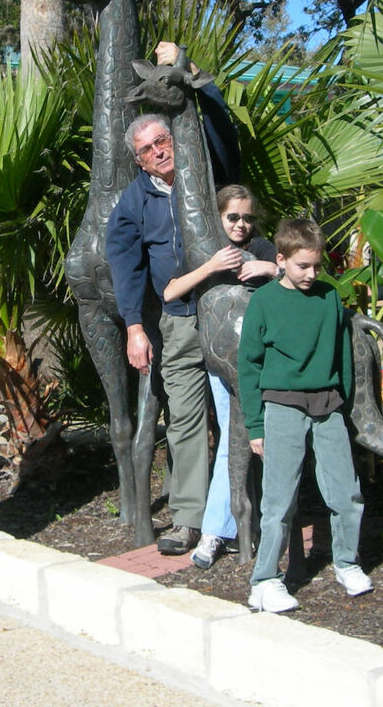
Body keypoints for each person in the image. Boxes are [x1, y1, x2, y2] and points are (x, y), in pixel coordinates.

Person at [106, 44, 240, 556]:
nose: (160, 151)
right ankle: (187, 519)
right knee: (183, 418)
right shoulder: (132, 203)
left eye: (163, 139)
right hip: (180, 320)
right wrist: (135, 328)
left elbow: (223, 128)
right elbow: (126, 267)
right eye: (148, 148)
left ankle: (243, 511)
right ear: (137, 159)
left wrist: (192, 72)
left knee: (238, 416)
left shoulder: (208, 173)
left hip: (228, 313)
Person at [238, 218, 372, 612]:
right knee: (279, 500)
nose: (311, 274)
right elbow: (249, 366)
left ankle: (347, 562)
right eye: (302, 266)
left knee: (347, 493)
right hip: (281, 406)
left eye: (316, 266)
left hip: (327, 405)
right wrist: (256, 425)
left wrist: (342, 402)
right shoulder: (263, 301)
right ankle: (263, 581)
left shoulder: (330, 297)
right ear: (281, 260)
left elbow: (341, 354)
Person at [163, 184, 278, 569]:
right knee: (232, 439)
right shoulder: (205, 250)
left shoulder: (261, 248)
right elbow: (169, 291)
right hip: (219, 362)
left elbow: (301, 274)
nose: (241, 224)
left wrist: (271, 269)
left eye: (247, 217)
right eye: (233, 217)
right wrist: (211, 266)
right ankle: (218, 530)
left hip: (260, 360)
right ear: (218, 217)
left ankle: (230, 529)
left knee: (246, 441)